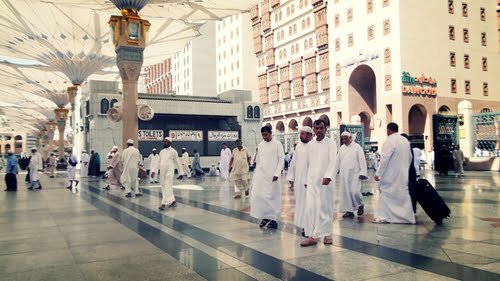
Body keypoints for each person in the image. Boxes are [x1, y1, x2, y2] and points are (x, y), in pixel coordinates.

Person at [300, 120, 338, 246]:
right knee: (311, 208)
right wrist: (306, 180)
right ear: (314, 130)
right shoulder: (310, 145)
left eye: (321, 128)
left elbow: (334, 161)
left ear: (325, 129)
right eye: (317, 128)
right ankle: (312, 236)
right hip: (312, 181)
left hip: (325, 182)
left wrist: (328, 176)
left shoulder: (331, 143)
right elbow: (307, 163)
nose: (319, 130)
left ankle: (327, 234)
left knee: (324, 208)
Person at [373, 123, 415, 224]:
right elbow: (410, 158)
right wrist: (405, 169)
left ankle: (383, 217)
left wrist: (378, 173)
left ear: (388, 130)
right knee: (402, 194)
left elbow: (384, 159)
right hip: (402, 173)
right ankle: (406, 218)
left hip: (390, 174)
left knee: (386, 193)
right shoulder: (405, 140)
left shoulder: (389, 141)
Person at [250, 126, 285, 229]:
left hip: (273, 176)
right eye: (263, 135)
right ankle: (265, 217)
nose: (264, 137)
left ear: (271, 133)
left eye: (266, 135)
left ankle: (273, 220)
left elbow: (281, 159)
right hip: (261, 176)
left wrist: (277, 173)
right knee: (260, 196)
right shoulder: (260, 145)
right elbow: (258, 161)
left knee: (272, 197)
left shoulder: (277, 144)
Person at [286, 126, 313, 236]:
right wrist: (291, 177)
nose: (300, 136)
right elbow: (293, 162)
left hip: (310, 180)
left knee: (309, 203)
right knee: (301, 202)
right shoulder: (299, 147)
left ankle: (308, 226)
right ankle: (303, 224)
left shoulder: (313, 146)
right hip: (299, 181)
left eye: (303, 134)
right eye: (300, 134)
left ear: (309, 135)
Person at [337, 131, 367, 218]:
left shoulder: (357, 147)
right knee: (346, 193)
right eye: (343, 139)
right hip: (344, 175)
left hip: (355, 174)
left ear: (350, 138)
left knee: (354, 192)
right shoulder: (341, 148)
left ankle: (360, 204)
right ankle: (349, 211)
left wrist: (363, 172)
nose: (344, 140)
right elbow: (337, 161)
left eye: (345, 138)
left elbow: (362, 160)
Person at [157, 137, 183, 210]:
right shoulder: (161, 152)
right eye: (164, 141)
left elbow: (178, 162)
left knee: (167, 186)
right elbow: (159, 161)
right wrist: (154, 171)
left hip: (169, 171)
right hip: (162, 172)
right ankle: (173, 201)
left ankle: (163, 203)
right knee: (163, 186)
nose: (164, 143)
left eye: (166, 142)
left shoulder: (173, 151)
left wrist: (180, 173)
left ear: (170, 143)